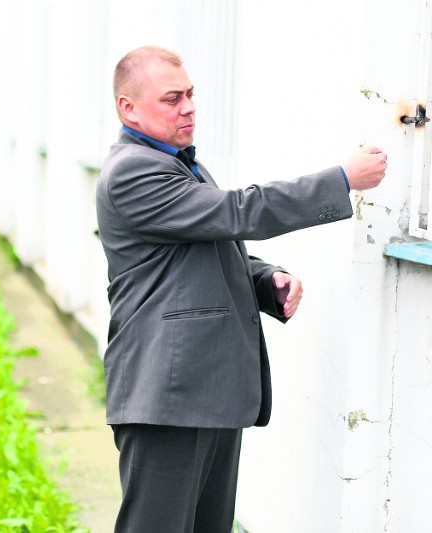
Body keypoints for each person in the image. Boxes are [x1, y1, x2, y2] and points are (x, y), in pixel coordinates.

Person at [95, 45, 387, 533]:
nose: (188, 107)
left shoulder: (177, 162)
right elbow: (237, 212)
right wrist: (340, 180)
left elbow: (203, 244)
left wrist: (262, 279)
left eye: (190, 94)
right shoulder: (132, 170)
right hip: (166, 394)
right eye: (172, 98)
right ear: (129, 107)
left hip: (205, 386)